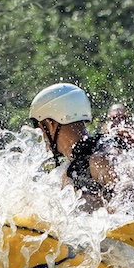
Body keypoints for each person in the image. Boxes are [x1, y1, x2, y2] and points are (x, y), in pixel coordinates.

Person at [30, 82, 118, 210]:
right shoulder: (71, 170)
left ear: (50, 124)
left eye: (38, 128)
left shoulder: (99, 158)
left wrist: (112, 212)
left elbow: (130, 188)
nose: (40, 135)